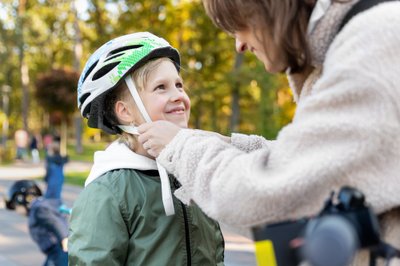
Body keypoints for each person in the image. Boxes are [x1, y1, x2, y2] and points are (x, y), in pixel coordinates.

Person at [136, 0, 400, 265]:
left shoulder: (372, 48)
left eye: (239, 23)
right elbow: (311, 158)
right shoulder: (356, 46)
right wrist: (210, 141)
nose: (238, 44)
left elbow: (273, 190)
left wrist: (181, 147)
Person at [68, 32, 225, 265]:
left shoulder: (193, 173)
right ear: (125, 112)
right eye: (161, 87)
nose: (178, 95)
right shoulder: (109, 193)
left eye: (179, 84)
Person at [28, 197, 69, 266]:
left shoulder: (39, 209)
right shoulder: (37, 208)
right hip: (55, 250)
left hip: (58, 249)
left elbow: (54, 222)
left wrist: (64, 237)